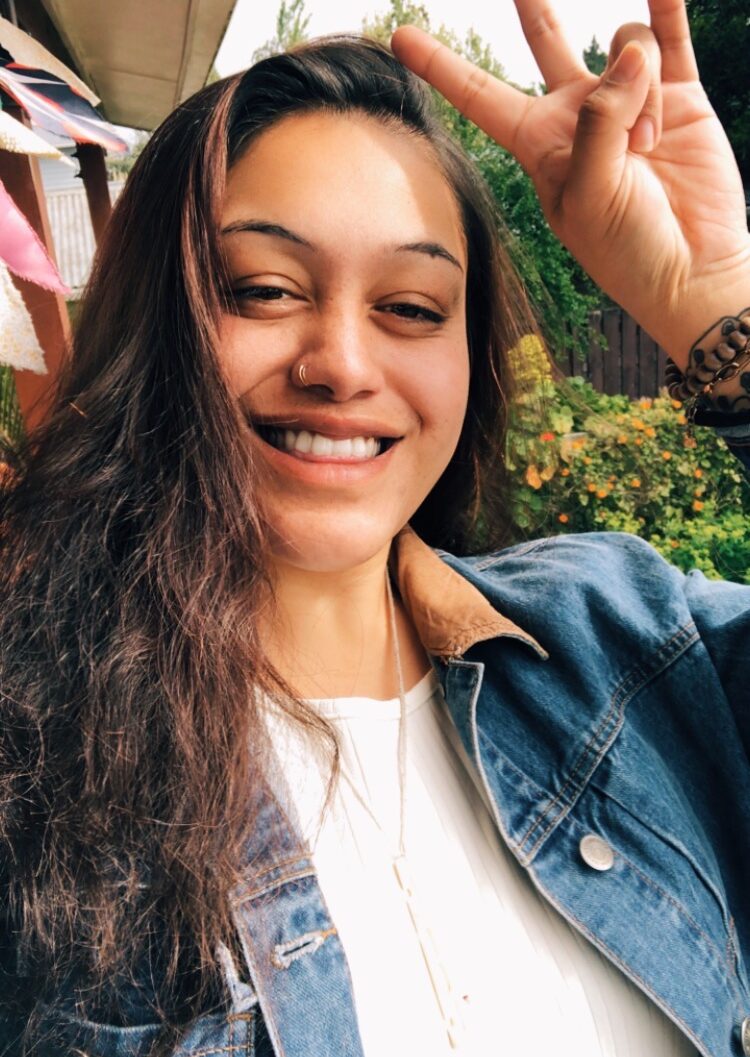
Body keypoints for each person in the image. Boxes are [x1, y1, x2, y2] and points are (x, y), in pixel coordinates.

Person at [1, 2, 749, 1056]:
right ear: (154, 321)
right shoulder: (34, 754)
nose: (343, 365)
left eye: (410, 307)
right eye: (261, 289)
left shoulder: (639, 651)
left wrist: (713, 308)